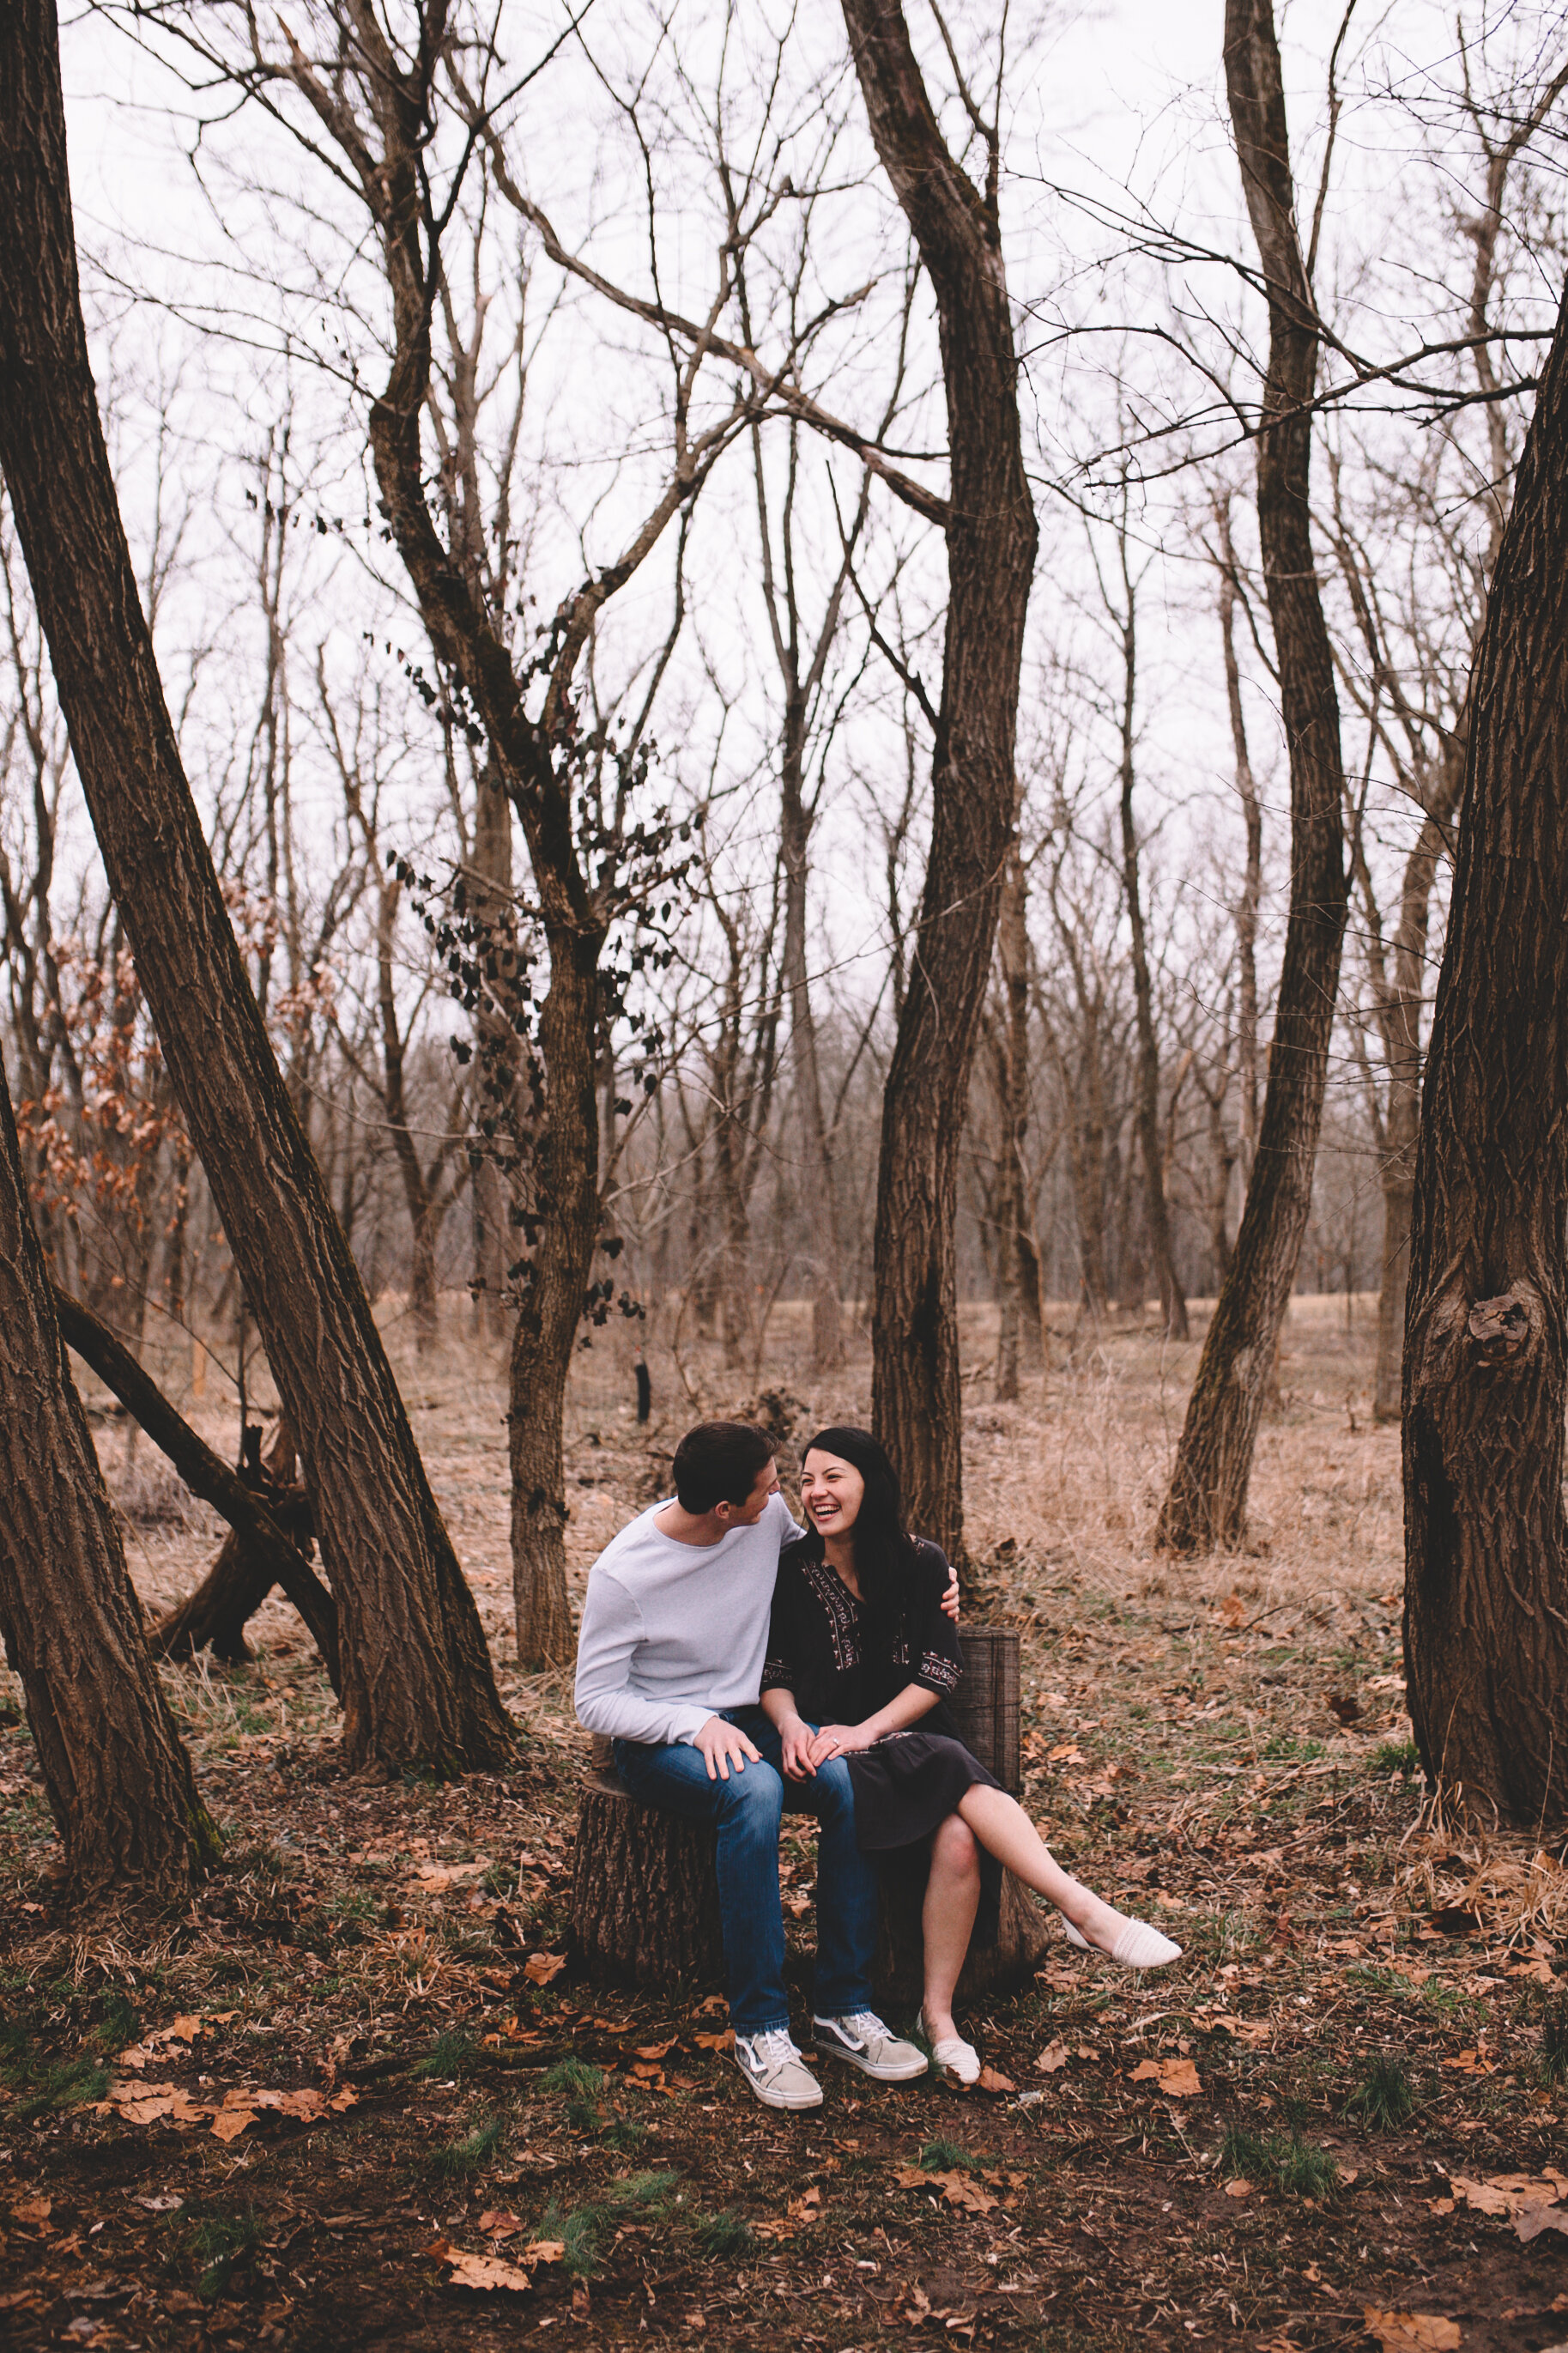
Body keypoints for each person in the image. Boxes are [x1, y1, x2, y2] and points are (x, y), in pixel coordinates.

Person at [760, 1426, 1181, 2087]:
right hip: (835, 1752)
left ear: (870, 1481)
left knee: (958, 1837)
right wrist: (790, 1725)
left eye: (832, 1476)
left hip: (904, 1736)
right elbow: (775, 1668)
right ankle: (1083, 1911)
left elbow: (936, 1670)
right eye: (806, 1479)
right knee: (948, 1777)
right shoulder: (792, 1566)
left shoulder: (921, 1561)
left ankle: (939, 2018)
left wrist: (868, 1728)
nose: (816, 1491)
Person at [575, 1419, 953, 2113]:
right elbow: (593, 1700)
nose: (788, 1494)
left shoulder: (763, 1518)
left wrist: (931, 1580)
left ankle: (842, 2006)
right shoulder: (623, 1574)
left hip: (756, 1715)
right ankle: (761, 2027)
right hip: (664, 1738)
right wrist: (692, 1721)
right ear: (725, 1509)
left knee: (843, 1780)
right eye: (772, 1485)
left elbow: (834, 1558)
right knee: (752, 1794)